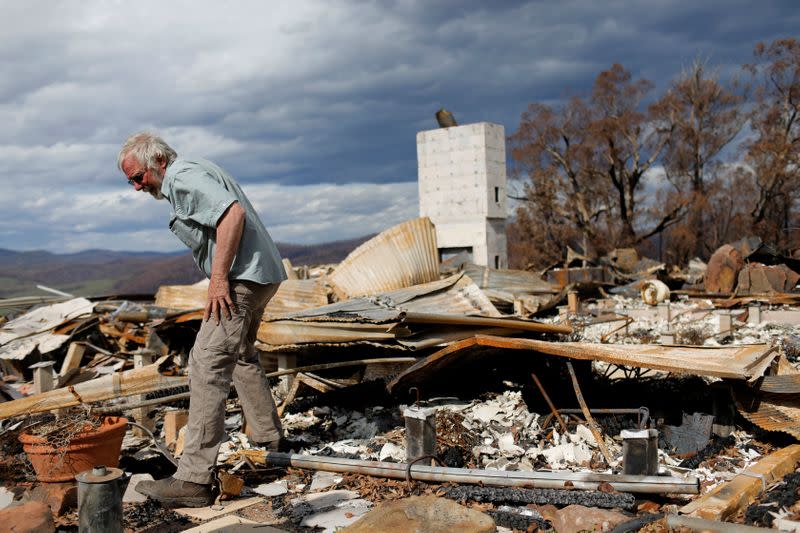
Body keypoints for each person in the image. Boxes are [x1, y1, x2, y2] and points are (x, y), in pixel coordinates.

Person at [117, 132, 287, 507]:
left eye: (138, 177)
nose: (135, 187)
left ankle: (193, 479)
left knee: (206, 364)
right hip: (262, 274)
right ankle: (270, 442)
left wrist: (219, 278)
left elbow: (232, 214)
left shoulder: (181, 175)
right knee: (241, 355)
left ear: (158, 161)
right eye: (130, 180)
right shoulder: (191, 172)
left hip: (243, 278)